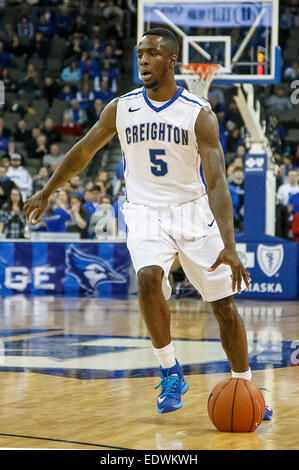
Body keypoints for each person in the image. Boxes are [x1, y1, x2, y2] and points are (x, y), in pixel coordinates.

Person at [23, 27, 272, 419]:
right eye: (139, 55)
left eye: (152, 54)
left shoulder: (197, 114)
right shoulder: (120, 108)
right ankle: (170, 370)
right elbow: (84, 149)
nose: (143, 61)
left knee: (224, 307)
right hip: (143, 211)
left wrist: (230, 243)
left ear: (172, 60)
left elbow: (218, 181)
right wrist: (48, 190)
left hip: (192, 210)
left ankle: (246, 385)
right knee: (148, 277)